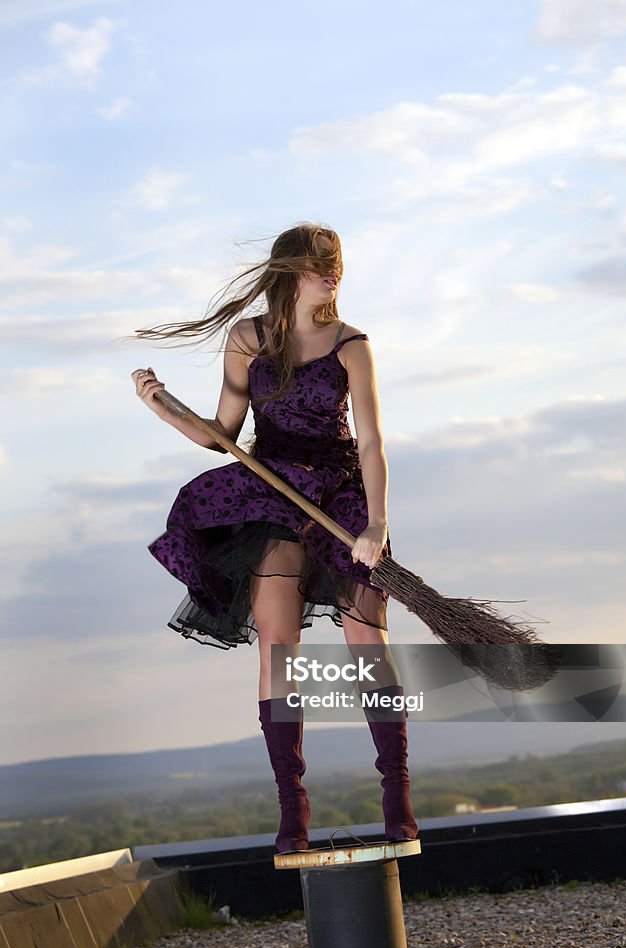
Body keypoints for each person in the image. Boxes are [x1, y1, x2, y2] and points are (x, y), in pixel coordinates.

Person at [131, 222, 418, 852]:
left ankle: (396, 796)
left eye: (337, 261)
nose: (333, 270)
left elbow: (371, 442)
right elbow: (221, 432)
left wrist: (376, 524)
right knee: (278, 644)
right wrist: (162, 407)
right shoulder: (249, 339)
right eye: (321, 261)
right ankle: (294, 814)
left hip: (342, 491)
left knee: (365, 633)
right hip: (274, 489)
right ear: (291, 267)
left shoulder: (352, 344)